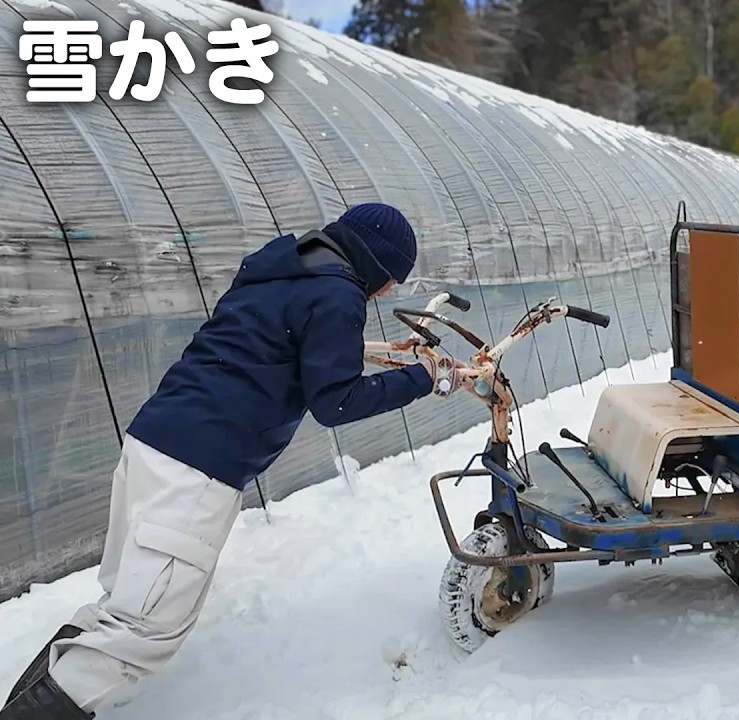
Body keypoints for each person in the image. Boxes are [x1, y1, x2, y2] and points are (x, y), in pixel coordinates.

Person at [1, 203, 466, 720]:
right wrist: (426, 377)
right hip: (199, 469)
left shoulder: (287, 263)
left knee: (119, 614)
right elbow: (335, 402)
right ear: (378, 266)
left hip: (153, 444)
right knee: (141, 631)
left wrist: (367, 349)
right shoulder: (339, 294)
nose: (387, 294)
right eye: (390, 281)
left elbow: (277, 341)